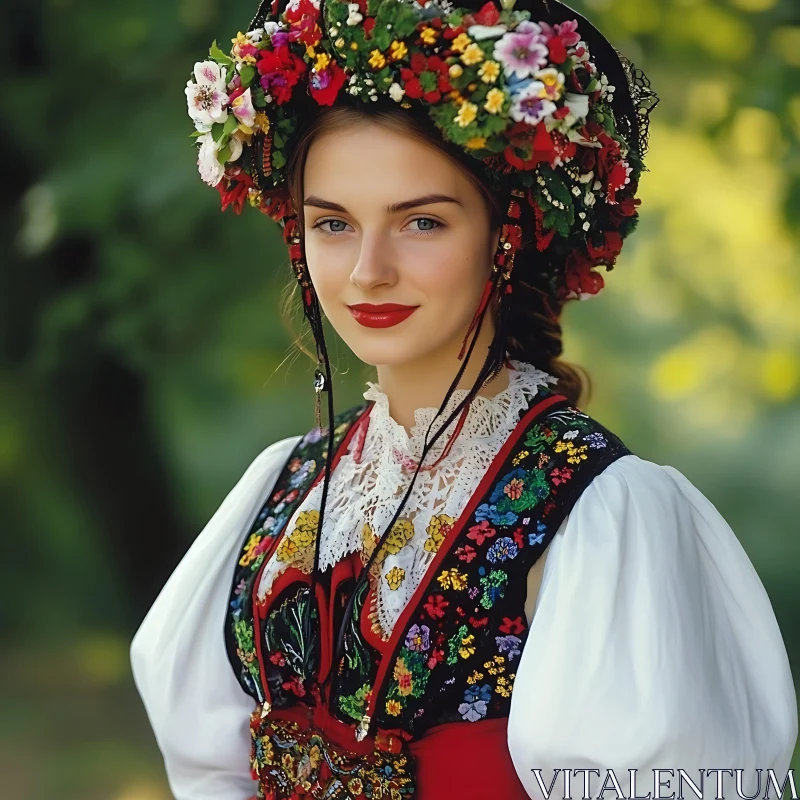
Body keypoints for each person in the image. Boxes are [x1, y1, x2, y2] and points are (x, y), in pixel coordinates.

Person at [130, 0, 798, 798]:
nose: (367, 271)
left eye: (420, 223)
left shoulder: (596, 513)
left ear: (504, 233)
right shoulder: (282, 489)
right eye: (334, 224)